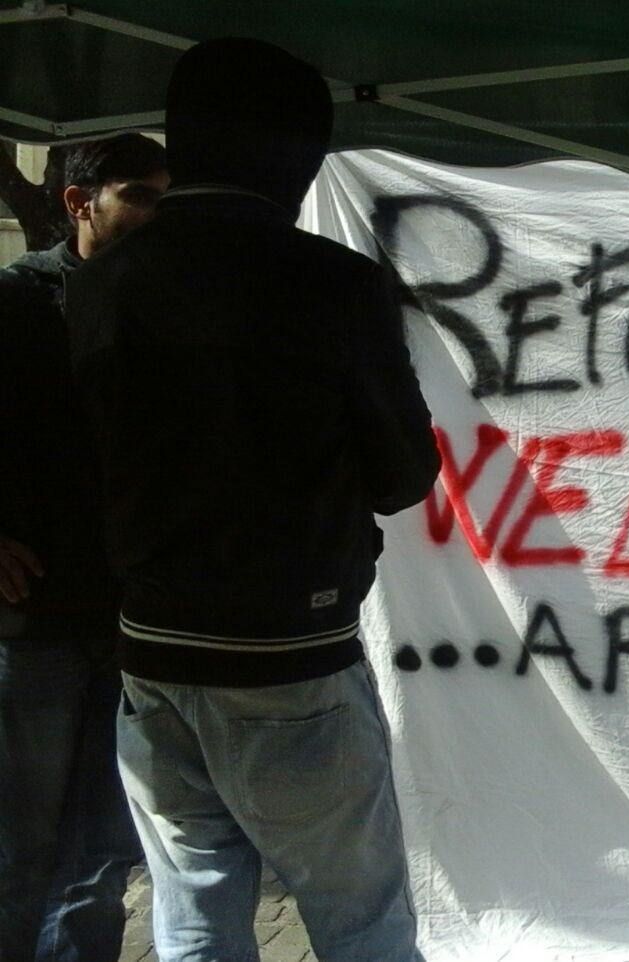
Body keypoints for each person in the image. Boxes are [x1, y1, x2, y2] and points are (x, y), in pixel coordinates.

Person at [67, 39, 439, 962]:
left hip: (152, 654)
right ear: (301, 157)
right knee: (363, 927)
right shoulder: (333, 283)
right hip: (289, 659)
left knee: (192, 916)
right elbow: (403, 475)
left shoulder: (103, 283)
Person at [0, 133, 167, 962]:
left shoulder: (167, 304)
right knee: (19, 845)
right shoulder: (17, 301)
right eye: (140, 194)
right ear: (79, 203)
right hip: (31, 620)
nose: (157, 215)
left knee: (103, 849)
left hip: (132, 617)